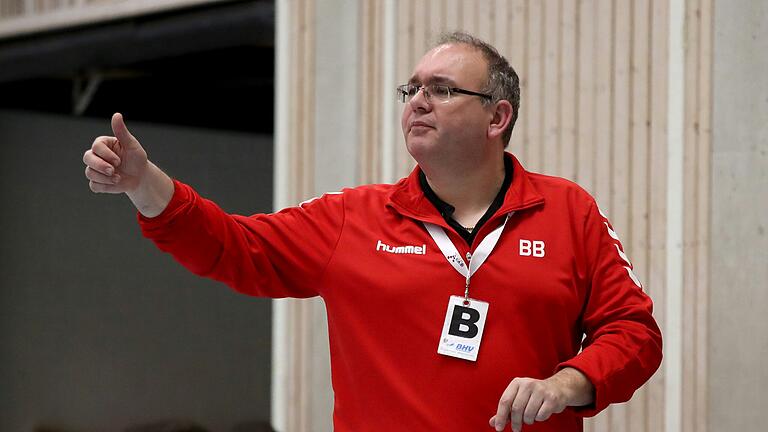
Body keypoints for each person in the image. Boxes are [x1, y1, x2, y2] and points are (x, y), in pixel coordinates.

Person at [83, 32, 662, 432]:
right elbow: (232, 247)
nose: (418, 103)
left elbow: (634, 333)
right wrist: (145, 184)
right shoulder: (351, 218)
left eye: (441, 89)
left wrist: (569, 383)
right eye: (411, 90)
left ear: (497, 116)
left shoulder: (568, 211)